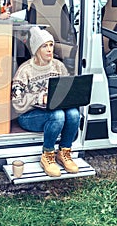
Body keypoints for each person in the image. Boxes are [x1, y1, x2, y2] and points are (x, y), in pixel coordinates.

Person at [11, 26, 80, 177]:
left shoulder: (58, 66)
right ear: (36, 49)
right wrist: (38, 97)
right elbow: (16, 103)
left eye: (51, 45)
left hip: (54, 109)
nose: (49, 49)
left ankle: (64, 152)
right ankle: (47, 155)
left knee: (74, 114)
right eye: (44, 46)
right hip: (28, 116)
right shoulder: (25, 70)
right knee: (58, 115)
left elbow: (67, 90)